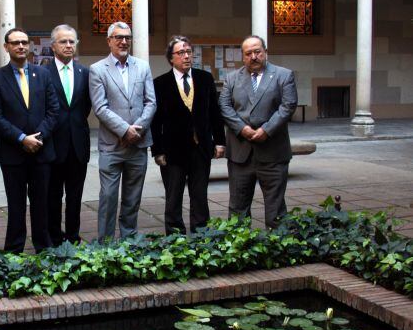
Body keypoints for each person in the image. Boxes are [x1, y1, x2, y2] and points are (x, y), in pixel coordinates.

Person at [0, 28, 59, 252]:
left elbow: (53, 110)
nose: (21, 46)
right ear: (6, 47)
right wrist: (21, 138)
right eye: (15, 43)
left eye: (24, 42)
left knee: (41, 204)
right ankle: (15, 248)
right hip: (12, 153)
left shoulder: (43, 74)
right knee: (15, 205)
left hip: (41, 150)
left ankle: (43, 247)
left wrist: (38, 137)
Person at [219, 35, 297, 229]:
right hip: (240, 153)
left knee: (275, 209)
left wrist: (266, 130)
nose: (254, 56)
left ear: (265, 52)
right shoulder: (231, 78)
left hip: (272, 152)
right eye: (248, 53)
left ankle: (277, 248)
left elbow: (288, 106)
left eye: (257, 52)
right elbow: (224, 106)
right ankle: (240, 249)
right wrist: (242, 128)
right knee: (238, 208)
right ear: (243, 57)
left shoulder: (283, 75)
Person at [151, 36, 226, 234]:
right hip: (173, 151)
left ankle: (201, 232)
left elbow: (214, 113)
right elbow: (155, 120)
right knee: (173, 196)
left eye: (189, 52)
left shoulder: (204, 78)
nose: (186, 56)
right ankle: (175, 236)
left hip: (200, 148)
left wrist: (219, 141)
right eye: (180, 53)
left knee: (199, 195)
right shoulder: (160, 83)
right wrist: (157, 151)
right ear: (171, 58)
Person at [89, 21, 156, 241]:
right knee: (108, 196)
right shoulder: (98, 70)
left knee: (132, 196)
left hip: (138, 143)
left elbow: (151, 102)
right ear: (109, 41)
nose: (123, 41)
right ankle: (106, 243)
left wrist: (138, 129)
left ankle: (129, 238)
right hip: (112, 146)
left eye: (127, 37)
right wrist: (124, 130)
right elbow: (100, 107)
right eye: (118, 37)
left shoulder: (142, 66)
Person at [42, 24, 91, 246]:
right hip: (52, 145)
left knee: (75, 197)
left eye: (72, 41)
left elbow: (85, 107)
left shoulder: (85, 72)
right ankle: (53, 236)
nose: (69, 45)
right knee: (52, 196)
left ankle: (73, 236)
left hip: (78, 145)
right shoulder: (43, 73)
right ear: (53, 46)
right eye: (63, 41)